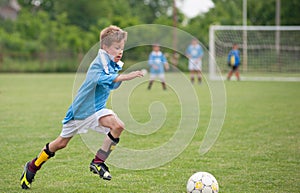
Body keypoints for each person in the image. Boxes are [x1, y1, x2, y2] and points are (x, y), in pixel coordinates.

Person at [20, 25, 144, 189]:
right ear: (105, 47)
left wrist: (120, 77)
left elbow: (111, 85)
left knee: (118, 126)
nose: (120, 51)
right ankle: (32, 166)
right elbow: (103, 80)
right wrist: (127, 77)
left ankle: (98, 162)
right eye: (116, 47)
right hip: (80, 112)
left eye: (122, 48)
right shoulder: (98, 63)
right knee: (61, 144)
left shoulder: (113, 62)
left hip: (97, 109)